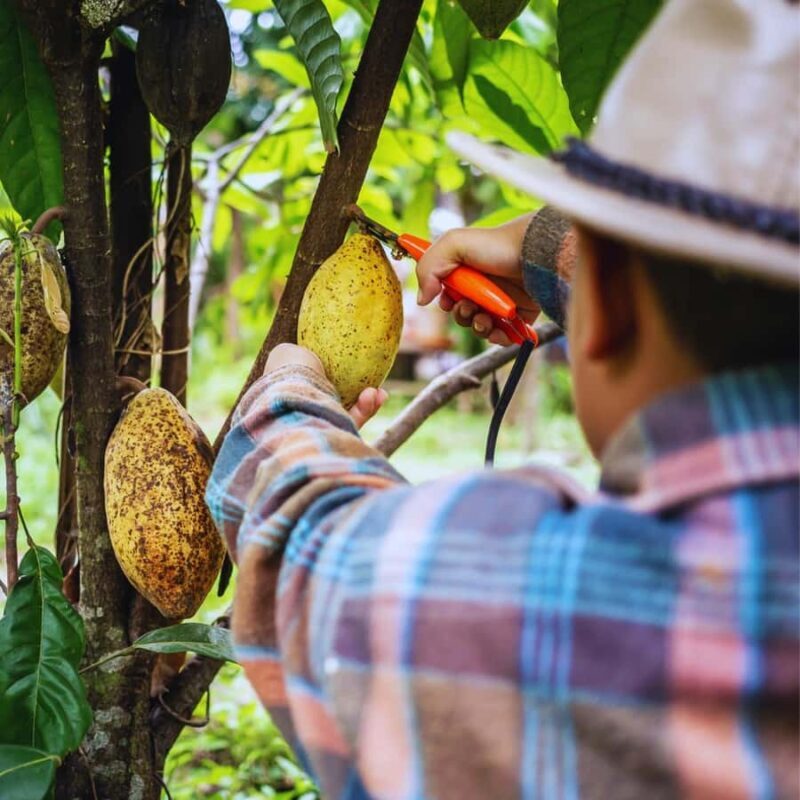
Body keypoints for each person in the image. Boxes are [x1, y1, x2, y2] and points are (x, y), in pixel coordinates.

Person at [207, 0, 799, 797]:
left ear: (609, 315)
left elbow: (317, 553)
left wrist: (287, 391)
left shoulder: (570, 611)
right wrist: (555, 249)